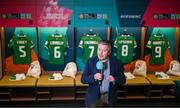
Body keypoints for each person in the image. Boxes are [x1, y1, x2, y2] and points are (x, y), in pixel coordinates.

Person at [81, 40, 126, 107]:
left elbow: (123, 80)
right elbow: (83, 79)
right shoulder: (90, 61)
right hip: (93, 98)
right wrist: (94, 77)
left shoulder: (117, 63)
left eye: (104, 51)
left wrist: (114, 79)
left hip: (109, 97)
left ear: (109, 52)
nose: (100, 53)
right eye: (99, 50)